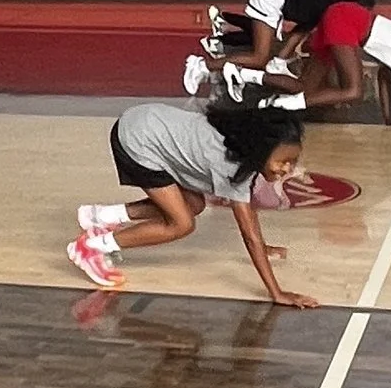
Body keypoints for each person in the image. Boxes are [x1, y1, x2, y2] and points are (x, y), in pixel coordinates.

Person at [69, 100, 320, 305]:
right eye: (283, 161)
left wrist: (264, 248)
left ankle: (99, 217)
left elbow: (251, 222)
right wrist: (277, 293)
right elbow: (249, 233)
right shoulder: (229, 166)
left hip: (144, 119)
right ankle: (91, 248)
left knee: (194, 205)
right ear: (259, 149)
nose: (287, 168)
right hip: (136, 140)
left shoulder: (240, 139)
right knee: (181, 224)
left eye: (292, 160)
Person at [189, 0, 371, 94]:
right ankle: (201, 65)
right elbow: (308, 32)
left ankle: (225, 61)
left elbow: (304, 28)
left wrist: (281, 59)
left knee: (266, 53)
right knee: (259, 57)